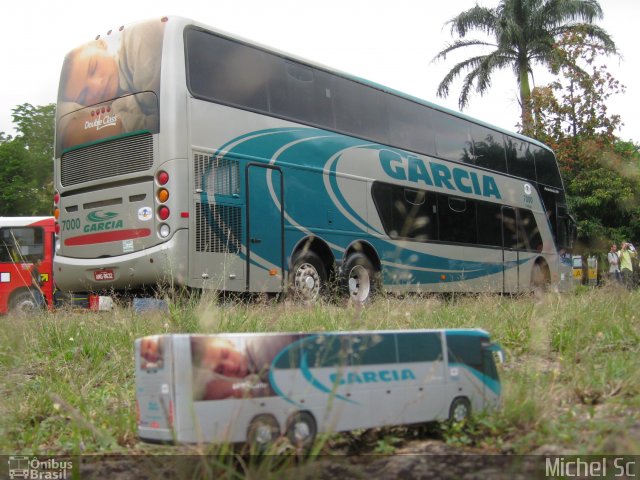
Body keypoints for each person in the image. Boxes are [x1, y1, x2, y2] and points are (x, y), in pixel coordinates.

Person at [57, 19, 165, 149]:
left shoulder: (137, 39)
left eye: (93, 67)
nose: (97, 85)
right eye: (85, 94)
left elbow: (168, 125)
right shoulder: (117, 102)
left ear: (100, 44)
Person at [191, 335, 298, 401]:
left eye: (225, 354)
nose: (231, 366)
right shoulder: (252, 372)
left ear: (229, 342)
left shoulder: (262, 347)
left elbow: (270, 392)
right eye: (221, 370)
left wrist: (231, 387)